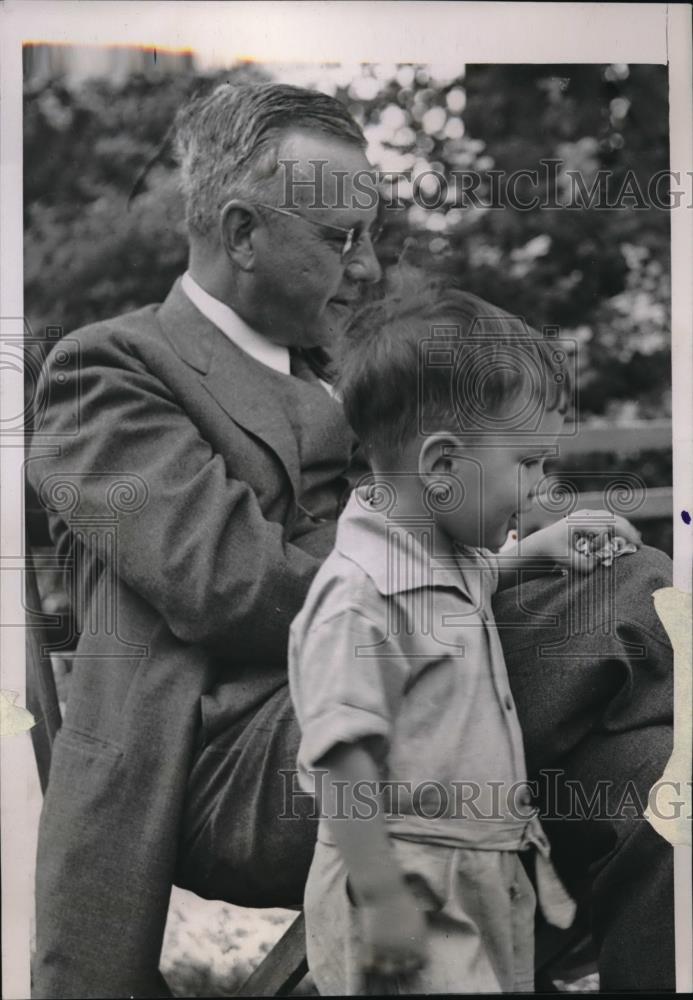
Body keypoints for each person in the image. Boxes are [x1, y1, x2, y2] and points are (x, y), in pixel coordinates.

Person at [27, 81, 674, 998]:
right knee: (627, 591)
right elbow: (236, 586)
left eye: (374, 236)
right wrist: (493, 564)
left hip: (437, 705)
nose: (368, 268)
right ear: (243, 233)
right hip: (261, 756)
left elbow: (464, 498)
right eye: (341, 239)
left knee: (660, 788)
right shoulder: (109, 370)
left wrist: (526, 539)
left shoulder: (351, 364)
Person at [287, 283, 642, 994]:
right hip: (406, 883)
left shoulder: (438, 553)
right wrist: (382, 895)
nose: (540, 486)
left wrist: (538, 548)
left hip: (482, 873)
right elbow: (341, 760)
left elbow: (466, 587)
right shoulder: (357, 599)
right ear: (443, 466)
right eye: (528, 463)